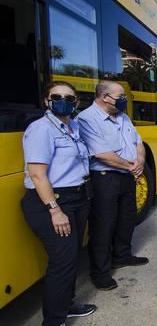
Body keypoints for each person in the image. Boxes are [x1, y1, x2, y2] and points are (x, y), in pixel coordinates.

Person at [21, 81, 97, 326]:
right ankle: (54, 320)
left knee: (72, 256)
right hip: (52, 201)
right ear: (47, 101)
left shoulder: (73, 126)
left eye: (69, 97)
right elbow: (37, 175)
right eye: (57, 96)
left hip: (77, 197)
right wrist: (55, 210)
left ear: (76, 103)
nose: (63, 100)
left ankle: (66, 305)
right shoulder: (40, 129)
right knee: (62, 261)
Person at [77, 81, 148, 291]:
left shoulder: (123, 116)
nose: (124, 98)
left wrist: (140, 162)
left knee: (127, 218)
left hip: (126, 176)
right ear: (105, 97)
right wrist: (131, 167)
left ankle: (122, 256)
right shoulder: (87, 119)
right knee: (103, 225)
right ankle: (100, 272)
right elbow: (101, 154)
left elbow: (138, 142)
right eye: (120, 95)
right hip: (104, 178)